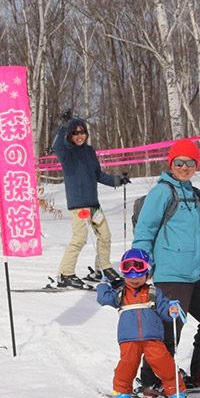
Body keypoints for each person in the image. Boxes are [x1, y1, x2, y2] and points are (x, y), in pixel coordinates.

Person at [132, 138, 200, 394]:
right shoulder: (162, 192)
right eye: (179, 162)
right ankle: (153, 377)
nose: (185, 167)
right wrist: (141, 265)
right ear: (171, 163)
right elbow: (145, 231)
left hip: (199, 275)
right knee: (169, 328)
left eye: (190, 163)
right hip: (170, 274)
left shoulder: (197, 195)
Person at [97, 248, 189, 398]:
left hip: (152, 338)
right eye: (129, 275)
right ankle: (121, 396)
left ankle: (177, 394)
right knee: (127, 366)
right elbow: (104, 299)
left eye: (139, 275)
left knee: (165, 365)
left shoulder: (154, 292)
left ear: (147, 273)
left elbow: (164, 310)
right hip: (128, 339)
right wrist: (103, 286)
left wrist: (171, 310)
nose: (134, 279)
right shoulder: (120, 293)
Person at [53, 109, 130, 288]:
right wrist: (62, 126)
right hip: (78, 205)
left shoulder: (89, 151)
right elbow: (57, 145)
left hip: (94, 205)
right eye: (75, 132)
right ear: (70, 135)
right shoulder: (66, 152)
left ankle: (102, 268)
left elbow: (98, 175)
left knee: (105, 236)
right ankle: (66, 274)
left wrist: (117, 180)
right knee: (80, 238)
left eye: (82, 132)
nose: (80, 136)